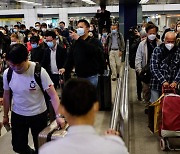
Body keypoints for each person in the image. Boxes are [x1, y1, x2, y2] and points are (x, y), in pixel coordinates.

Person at [2, 44, 65, 154]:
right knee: (18, 146)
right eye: (12, 65)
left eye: (19, 65)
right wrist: (5, 115)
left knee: (41, 146)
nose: (16, 68)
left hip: (38, 114)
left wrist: (58, 116)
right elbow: (6, 95)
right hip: (18, 115)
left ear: (27, 58)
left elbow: (53, 95)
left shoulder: (39, 72)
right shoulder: (8, 73)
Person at [39, 78, 129, 154]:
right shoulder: (116, 149)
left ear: (62, 109)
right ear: (96, 106)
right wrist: (113, 141)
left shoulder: (47, 151)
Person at [59, 19, 105, 86]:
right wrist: (65, 68)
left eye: (81, 27)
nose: (79, 29)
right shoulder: (75, 43)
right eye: (78, 27)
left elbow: (93, 51)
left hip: (91, 77)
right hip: (79, 77)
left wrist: (79, 39)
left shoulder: (94, 41)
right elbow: (70, 57)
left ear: (88, 29)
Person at [150, 31, 180, 103]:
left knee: (171, 107)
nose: (170, 44)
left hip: (172, 86)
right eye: (168, 41)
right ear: (164, 40)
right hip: (156, 85)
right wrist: (163, 81)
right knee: (156, 106)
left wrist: (176, 81)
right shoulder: (157, 50)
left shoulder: (178, 51)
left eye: (172, 42)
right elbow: (153, 68)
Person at [135, 22, 161, 104]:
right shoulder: (142, 44)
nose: (152, 35)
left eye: (154, 33)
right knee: (146, 90)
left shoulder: (160, 44)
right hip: (146, 71)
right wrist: (139, 71)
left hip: (157, 72)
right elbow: (138, 58)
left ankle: (154, 107)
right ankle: (147, 105)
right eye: (150, 33)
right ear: (147, 33)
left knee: (156, 91)